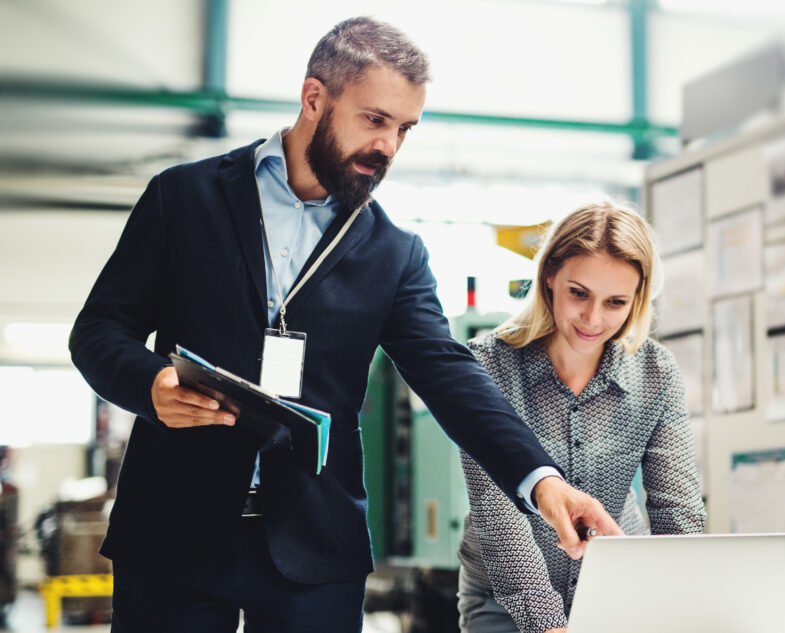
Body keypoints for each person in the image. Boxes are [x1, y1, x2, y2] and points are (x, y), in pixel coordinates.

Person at [68, 17, 618, 633]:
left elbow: (450, 376)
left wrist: (543, 482)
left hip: (313, 545)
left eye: (404, 129)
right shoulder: (184, 198)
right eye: (375, 119)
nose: (388, 146)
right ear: (314, 99)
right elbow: (97, 331)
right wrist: (151, 386)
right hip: (173, 532)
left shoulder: (393, 252)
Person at [456, 202, 707, 633]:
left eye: (615, 302)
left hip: (617, 591)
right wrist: (550, 626)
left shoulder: (655, 374)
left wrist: (681, 605)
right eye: (579, 293)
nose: (593, 319)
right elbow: (501, 520)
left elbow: (677, 511)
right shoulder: (487, 366)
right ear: (549, 276)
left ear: (637, 300)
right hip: (506, 598)